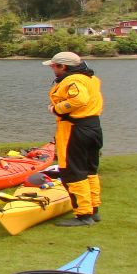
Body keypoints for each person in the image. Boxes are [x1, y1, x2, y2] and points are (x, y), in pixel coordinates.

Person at [43, 51, 104, 227]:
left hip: (75, 129)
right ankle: (93, 210)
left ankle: (83, 215)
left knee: (73, 171)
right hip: (93, 127)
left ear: (63, 66)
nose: (52, 69)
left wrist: (57, 109)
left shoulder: (73, 80)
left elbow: (80, 99)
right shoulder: (91, 79)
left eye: (54, 66)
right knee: (89, 170)